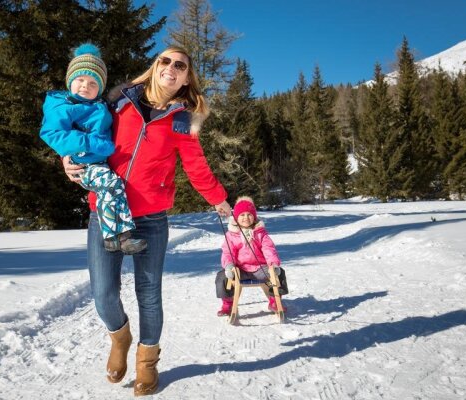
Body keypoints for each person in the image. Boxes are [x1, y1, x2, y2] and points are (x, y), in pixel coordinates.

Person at [62, 46, 230, 396]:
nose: (171, 67)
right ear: (155, 67)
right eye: (165, 61)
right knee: (103, 292)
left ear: (186, 78)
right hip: (105, 211)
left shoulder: (183, 120)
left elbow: (197, 168)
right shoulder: (119, 101)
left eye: (180, 65)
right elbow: (81, 128)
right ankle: (119, 338)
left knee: (149, 294)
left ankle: (147, 363)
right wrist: (67, 158)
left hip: (152, 218)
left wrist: (219, 200)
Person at [40, 43, 146, 255]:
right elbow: (51, 134)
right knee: (110, 184)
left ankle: (119, 238)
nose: (85, 86)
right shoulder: (61, 106)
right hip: (83, 162)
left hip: (99, 162)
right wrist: (91, 143)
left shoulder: (99, 105)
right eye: (80, 80)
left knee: (113, 187)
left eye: (92, 83)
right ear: (70, 81)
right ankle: (115, 237)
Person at [215, 196, 289, 316]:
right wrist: (229, 266)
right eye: (242, 215)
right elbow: (228, 252)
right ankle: (227, 304)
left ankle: (275, 300)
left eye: (249, 214)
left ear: (254, 216)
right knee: (222, 277)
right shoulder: (232, 235)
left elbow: (269, 249)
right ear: (236, 217)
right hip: (240, 270)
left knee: (278, 274)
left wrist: (273, 265)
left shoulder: (260, 233)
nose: (246, 218)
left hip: (260, 269)